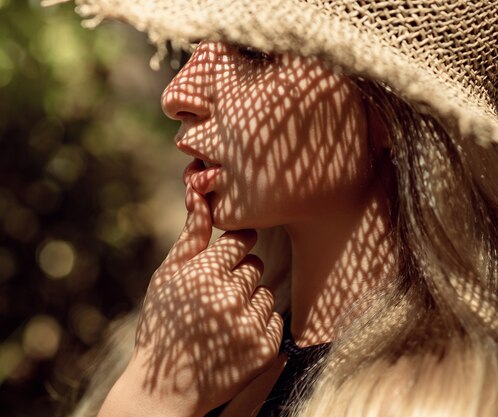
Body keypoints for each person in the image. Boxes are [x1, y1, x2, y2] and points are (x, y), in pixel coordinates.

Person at [56, 1, 498, 416]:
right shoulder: (213, 350)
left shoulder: (421, 399)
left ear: (388, 108)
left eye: (253, 52)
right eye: (197, 45)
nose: (178, 94)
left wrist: (150, 401)